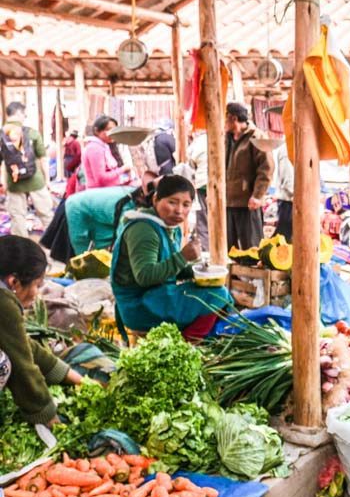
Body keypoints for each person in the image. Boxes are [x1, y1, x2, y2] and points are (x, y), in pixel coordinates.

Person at [110, 175, 231, 340]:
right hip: (139, 306)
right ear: (155, 200)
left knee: (217, 291)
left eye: (186, 204)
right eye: (172, 202)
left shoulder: (170, 228)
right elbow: (144, 276)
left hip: (156, 296)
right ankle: (189, 342)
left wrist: (200, 273)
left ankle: (199, 338)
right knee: (216, 295)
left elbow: (168, 268)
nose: (179, 210)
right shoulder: (144, 230)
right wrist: (183, 257)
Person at [0, 236, 84, 425]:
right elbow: (22, 366)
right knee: (3, 363)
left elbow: (21, 343)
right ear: (14, 282)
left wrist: (74, 378)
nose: (37, 293)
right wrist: (48, 418)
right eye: (37, 285)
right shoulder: (3, 302)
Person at [0, 102, 53, 237]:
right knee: (46, 214)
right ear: (18, 113)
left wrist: (4, 183)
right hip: (35, 179)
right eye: (24, 114)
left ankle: (21, 251)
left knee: (17, 218)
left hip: (14, 181)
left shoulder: (1, 134)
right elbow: (43, 158)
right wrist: (47, 180)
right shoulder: (31, 133)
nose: (24, 117)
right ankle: (53, 247)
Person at [224, 103, 272, 250]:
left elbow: (266, 168)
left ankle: (251, 273)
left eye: (225, 118)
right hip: (228, 201)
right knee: (229, 246)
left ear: (233, 118)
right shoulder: (226, 138)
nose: (223, 122)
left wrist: (258, 195)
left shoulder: (257, 137)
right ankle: (231, 274)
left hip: (248, 203)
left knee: (251, 246)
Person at [65, 181, 153, 257]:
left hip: (96, 215)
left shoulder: (135, 196)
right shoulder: (127, 207)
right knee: (83, 260)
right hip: (75, 210)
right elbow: (123, 242)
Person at [82, 115, 131, 189]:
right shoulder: (95, 148)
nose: (112, 133)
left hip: (108, 189)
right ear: (97, 131)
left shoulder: (103, 146)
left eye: (114, 130)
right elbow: (101, 179)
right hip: (100, 194)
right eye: (108, 129)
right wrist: (123, 169)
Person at [186, 129, 209, 250]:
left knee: (203, 218)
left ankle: (206, 248)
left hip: (203, 184)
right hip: (220, 184)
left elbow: (191, 161)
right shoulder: (225, 137)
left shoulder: (199, 141)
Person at [271, 141, 294, 241]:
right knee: (285, 238)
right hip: (289, 201)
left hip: (290, 199)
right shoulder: (288, 149)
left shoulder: (291, 147)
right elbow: (288, 178)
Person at [63, 130, 82, 197]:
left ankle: (68, 191)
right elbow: (79, 153)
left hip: (68, 160)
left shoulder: (68, 142)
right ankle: (70, 192)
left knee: (69, 178)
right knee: (72, 178)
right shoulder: (75, 143)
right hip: (71, 160)